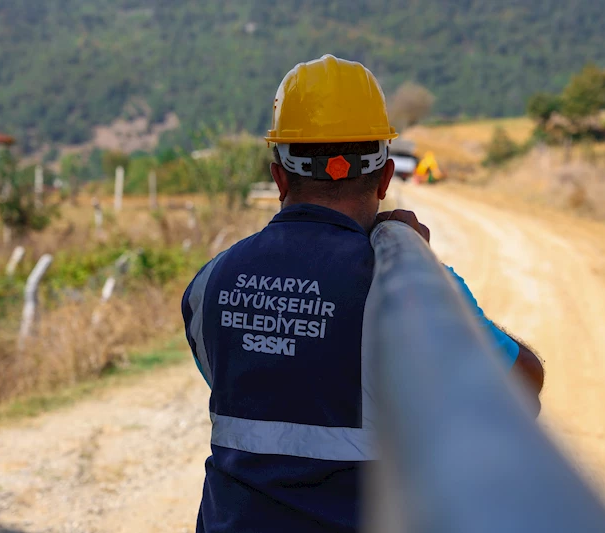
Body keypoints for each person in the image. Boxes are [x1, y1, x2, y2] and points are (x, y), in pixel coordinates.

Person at [182, 54, 544, 533]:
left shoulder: (208, 285)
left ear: (279, 177)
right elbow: (522, 387)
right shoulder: (399, 285)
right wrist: (434, 278)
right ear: (386, 176)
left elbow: (268, 388)